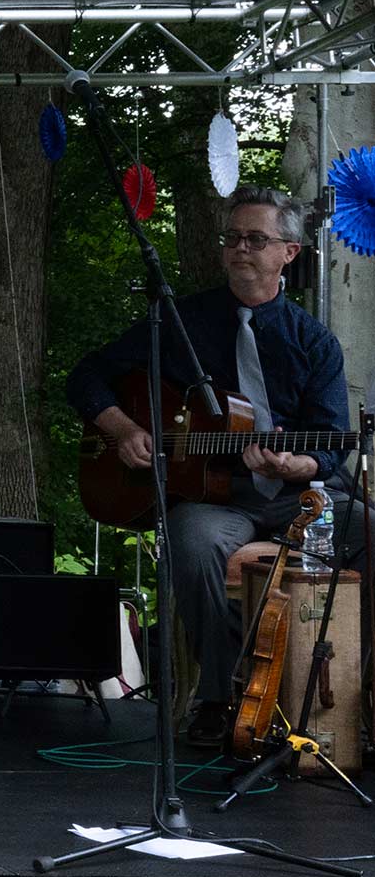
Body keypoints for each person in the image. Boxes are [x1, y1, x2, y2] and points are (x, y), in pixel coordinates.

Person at [66, 185, 367, 745]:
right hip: (218, 500)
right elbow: (86, 375)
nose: (240, 249)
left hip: (296, 498)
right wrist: (124, 428)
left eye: (256, 239)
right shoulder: (182, 323)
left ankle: (356, 694)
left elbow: (327, 444)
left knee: (369, 528)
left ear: (289, 253)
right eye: (233, 238)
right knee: (193, 538)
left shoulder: (314, 342)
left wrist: (295, 464)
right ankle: (218, 695)